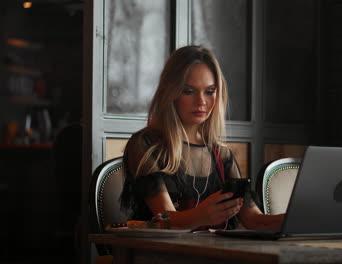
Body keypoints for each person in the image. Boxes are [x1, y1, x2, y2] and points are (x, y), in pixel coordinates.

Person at [120, 45, 283, 231]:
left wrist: (299, 217)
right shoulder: (145, 145)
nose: (201, 102)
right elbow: (163, 218)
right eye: (189, 91)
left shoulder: (222, 155)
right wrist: (200, 216)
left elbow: (255, 220)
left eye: (210, 91)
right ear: (171, 92)